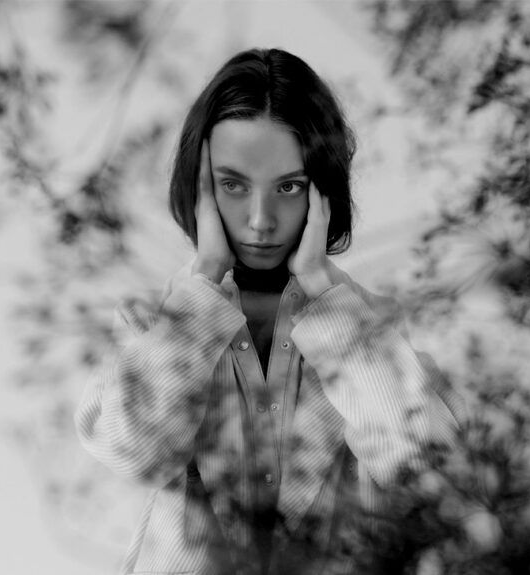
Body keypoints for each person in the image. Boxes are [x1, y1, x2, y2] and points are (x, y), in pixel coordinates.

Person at [75, 48, 463, 575]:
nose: (261, 220)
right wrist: (206, 276)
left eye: (288, 187)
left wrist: (325, 294)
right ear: (200, 186)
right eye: (233, 185)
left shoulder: (365, 326)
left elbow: (428, 472)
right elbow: (128, 450)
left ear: (321, 191)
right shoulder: (154, 322)